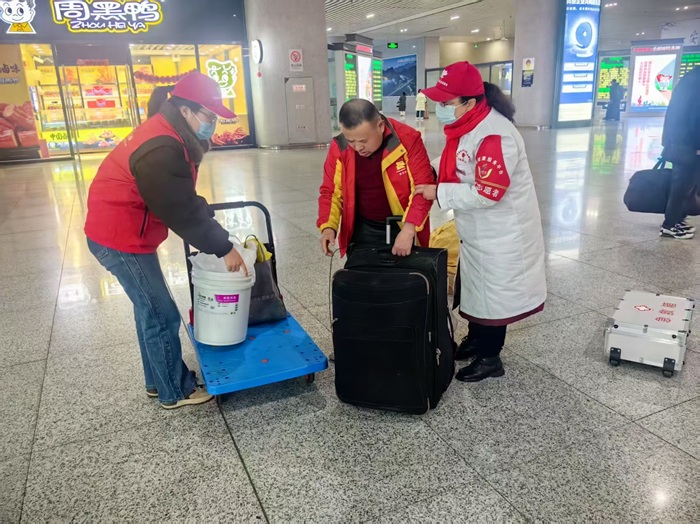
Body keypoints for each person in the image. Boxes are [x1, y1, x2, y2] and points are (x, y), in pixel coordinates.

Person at [84, 72, 248, 409]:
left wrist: (208, 219)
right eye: (209, 115)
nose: (213, 123)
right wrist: (224, 247)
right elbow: (179, 209)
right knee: (161, 314)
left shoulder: (168, 131)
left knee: (150, 310)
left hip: (126, 232)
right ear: (185, 110)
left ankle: (157, 381)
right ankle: (176, 390)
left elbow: (180, 193)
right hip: (119, 237)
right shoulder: (161, 147)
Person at [415, 61, 546, 382]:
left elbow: (488, 192)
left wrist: (437, 191)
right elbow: (458, 160)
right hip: (478, 230)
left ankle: (490, 358)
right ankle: (476, 339)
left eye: (446, 102)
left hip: (502, 234)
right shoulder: (468, 125)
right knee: (475, 288)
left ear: (470, 102)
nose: (440, 109)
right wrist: (429, 170)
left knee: (494, 298)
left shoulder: (496, 135)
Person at [317, 98, 434, 259]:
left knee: (406, 273)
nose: (358, 148)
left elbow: (423, 188)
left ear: (380, 126)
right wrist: (328, 227)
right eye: (351, 141)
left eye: (363, 141)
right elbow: (331, 191)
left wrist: (409, 229)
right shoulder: (340, 146)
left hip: (402, 224)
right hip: (362, 228)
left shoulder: (407, 139)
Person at [660, 66, 700, 240]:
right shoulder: (696, 81)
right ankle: (670, 225)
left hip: (679, 141)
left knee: (683, 184)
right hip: (689, 145)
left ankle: (677, 219)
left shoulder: (689, 79)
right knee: (682, 186)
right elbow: (696, 117)